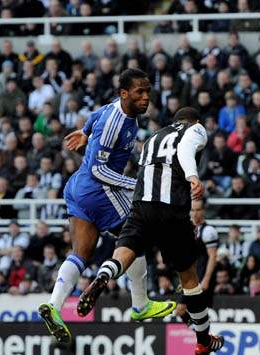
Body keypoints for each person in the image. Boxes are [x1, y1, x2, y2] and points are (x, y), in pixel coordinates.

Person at [38, 69, 175, 344]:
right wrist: (133, 183)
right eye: (139, 92)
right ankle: (139, 304)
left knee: (81, 252)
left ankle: (54, 305)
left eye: (147, 91)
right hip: (99, 190)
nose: (146, 97)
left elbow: (95, 115)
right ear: (124, 94)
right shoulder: (117, 124)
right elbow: (101, 171)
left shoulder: (115, 110)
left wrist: (85, 132)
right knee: (137, 235)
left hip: (77, 187)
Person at [77, 107, 224, 354]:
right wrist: (193, 176)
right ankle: (203, 340)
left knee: (125, 252)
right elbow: (186, 150)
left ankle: (104, 274)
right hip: (173, 208)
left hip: (141, 205)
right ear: (194, 121)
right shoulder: (194, 129)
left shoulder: (152, 137)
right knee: (189, 278)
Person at [176, 199, 219, 326]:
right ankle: (201, 334)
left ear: (203, 211)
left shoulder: (208, 231)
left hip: (200, 275)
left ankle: (201, 334)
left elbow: (213, 256)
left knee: (182, 308)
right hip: (189, 276)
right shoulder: (187, 228)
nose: (195, 213)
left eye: (198, 210)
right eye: (193, 210)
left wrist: (206, 279)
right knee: (184, 310)